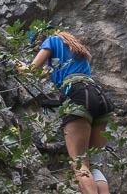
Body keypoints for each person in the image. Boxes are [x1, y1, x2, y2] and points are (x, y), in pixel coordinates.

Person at [25, 30, 114, 194]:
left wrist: (0, 56)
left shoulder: (51, 41)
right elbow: (50, 72)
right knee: (93, 165)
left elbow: (30, 70)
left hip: (78, 95)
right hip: (98, 97)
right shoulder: (76, 52)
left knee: (80, 164)